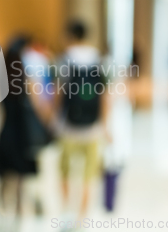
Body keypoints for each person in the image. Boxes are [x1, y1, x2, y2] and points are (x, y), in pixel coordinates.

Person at [0, 36, 53, 232]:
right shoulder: (27, 75)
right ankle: (19, 217)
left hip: (6, 131)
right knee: (20, 179)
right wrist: (47, 123)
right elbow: (39, 104)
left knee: (5, 178)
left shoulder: (1, 75)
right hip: (23, 133)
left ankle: (3, 215)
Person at [56, 21, 110, 221]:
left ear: (70, 36)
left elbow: (58, 92)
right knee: (89, 174)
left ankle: (67, 212)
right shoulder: (99, 59)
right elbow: (105, 95)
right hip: (93, 127)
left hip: (68, 126)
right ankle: (82, 217)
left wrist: (54, 118)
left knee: (65, 171)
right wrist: (105, 125)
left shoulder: (65, 59)